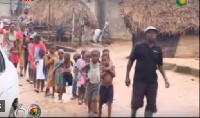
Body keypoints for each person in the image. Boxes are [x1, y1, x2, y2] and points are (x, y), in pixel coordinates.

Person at [125, 26, 170, 117]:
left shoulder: (158, 49)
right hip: (139, 81)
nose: (152, 35)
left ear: (156, 35)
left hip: (152, 82)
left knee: (151, 104)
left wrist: (165, 79)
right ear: (146, 34)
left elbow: (160, 66)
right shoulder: (138, 47)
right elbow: (130, 61)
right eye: (150, 33)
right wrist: (127, 76)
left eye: (154, 33)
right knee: (136, 103)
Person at [83, 50, 101, 117]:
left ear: (99, 57)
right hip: (89, 84)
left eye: (96, 56)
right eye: (93, 56)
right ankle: (90, 111)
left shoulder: (100, 64)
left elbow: (101, 72)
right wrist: (85, 77)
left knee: (95, 99)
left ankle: (95, 112)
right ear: (91, 57)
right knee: (89, 99)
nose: (94, 58)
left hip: (97, 84)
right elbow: (83, 71)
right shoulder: (88, 64)